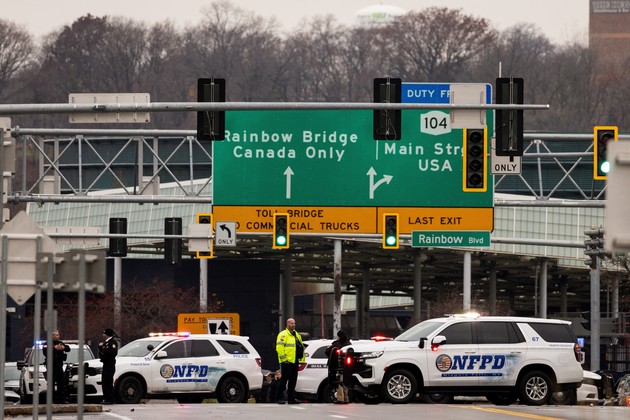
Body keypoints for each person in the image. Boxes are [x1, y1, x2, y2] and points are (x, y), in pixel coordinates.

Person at [275, 318, 305, 404]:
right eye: (291, 323)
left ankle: (291, 399)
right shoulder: (283, 334)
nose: (293, 325)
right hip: (286, 361)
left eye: (294, 323)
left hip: (295, 360)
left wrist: (301, 359)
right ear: (287, 324)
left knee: (293, 380)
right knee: (284, 380)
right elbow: (279, 348)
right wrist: (284, 359)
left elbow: (300, 346)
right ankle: (278, 397)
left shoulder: (296, 334)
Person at [42, 330, 70, 404]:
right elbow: (45, 351)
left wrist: (63, 347)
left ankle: (61, 399)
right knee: (51, 383)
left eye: (58, 335)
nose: (58, 336)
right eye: (57, 335)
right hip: (51, 366)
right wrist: (54, 347)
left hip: (59, 366)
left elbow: (68, 349)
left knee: (61, 382)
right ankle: (51, 399)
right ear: (52, 336)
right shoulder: (47, 343)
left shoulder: (60, 343)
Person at [325, 330, 351, 404]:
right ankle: (346, 398)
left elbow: (327, 352)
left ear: (338, 336)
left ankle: (340, 398)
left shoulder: (336, 344)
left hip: (337, 366)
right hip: (347, 366)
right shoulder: (349, 344)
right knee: (345, 381)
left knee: (339, 381)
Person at [99, 328, 119, 405]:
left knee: (108, 382)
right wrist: (101, 347)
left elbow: (113, 352)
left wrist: (104, 348)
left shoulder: (112, 342)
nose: (103, 334)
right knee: (104, 381)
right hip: (105, 363)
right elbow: (102, 353)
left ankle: (110, 398)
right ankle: (106, 397)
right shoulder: (106, 343)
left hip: (110, 364)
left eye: (104, 333)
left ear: (107, 334)